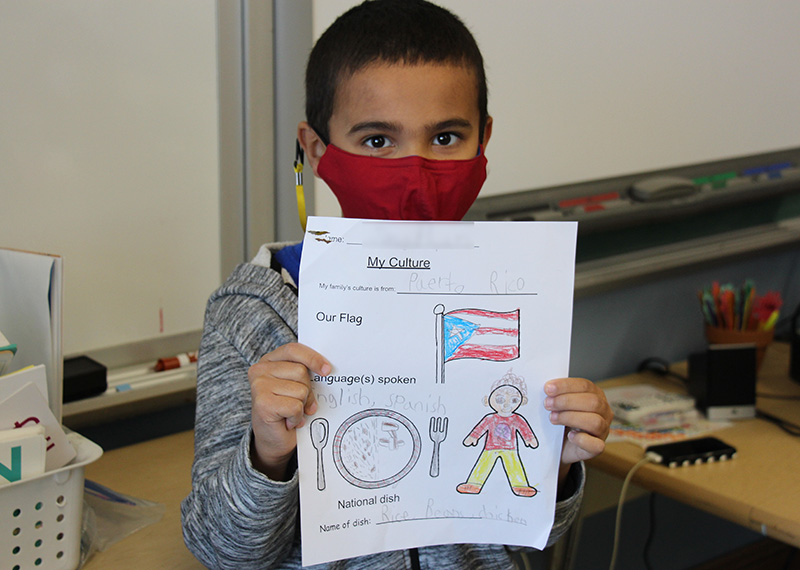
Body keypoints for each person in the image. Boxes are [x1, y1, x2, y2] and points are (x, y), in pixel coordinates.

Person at [181, 1, 612, 568]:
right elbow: (222, 551)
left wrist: (557, 463)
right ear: (316, 150)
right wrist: (266, 453)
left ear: (483, 138)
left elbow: (520, 534)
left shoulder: (506, 288)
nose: (415, 170)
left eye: (446, 137)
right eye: (378, 140)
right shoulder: (251, 311)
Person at [457, 370, 539, 497]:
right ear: (487, 400)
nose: (506, 404)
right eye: (500, 399)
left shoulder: (517, 419)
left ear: (522, 401)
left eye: (513, 400)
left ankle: (520, 485)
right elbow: (480, 428)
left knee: (514, 466)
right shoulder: (490, 419)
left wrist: (529, 439)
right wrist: (473, 437)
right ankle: (474, 484)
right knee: (483, 464)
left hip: (510, 449)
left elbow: (524, 429)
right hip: (490, 448)